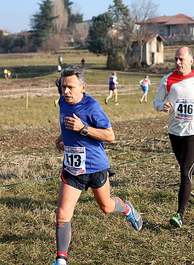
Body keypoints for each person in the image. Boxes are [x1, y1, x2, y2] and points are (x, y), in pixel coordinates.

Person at [52, 66, 142, 265]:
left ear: (83, 87)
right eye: (63, 86)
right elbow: (66, 123)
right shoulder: (62, 102)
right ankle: (61, 260)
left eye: (70, 87)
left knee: (107, 207)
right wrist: (61, 137)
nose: (65, 91)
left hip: (95, 167)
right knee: (62, 213)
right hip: (72, 169)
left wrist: (83, 129)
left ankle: (127, 209)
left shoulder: (92, 106)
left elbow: (110, 136)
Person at [153, 46, 194, 228]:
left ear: (191, 60)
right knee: (187, 167)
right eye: (175, 59)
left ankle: (179, 214)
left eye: (181, 59)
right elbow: (156, 102)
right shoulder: (167, 79)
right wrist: (162, 106)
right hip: (175, 132)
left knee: (184, 172)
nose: (178, 62)